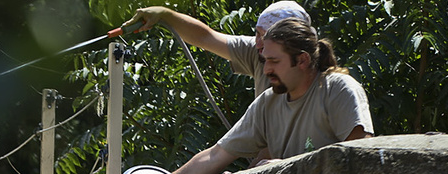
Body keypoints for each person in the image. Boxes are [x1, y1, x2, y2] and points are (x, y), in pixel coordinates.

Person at [172, 18, 373, 174]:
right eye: (265, 60)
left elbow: (359, 156)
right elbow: (216, 155)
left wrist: (288, 167)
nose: (266, 69)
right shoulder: (268, 103)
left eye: (274, 61)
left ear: (302, 60)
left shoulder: (337, 89)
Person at [122, 1, 312, 97]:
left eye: (267, 36)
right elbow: (205, 37)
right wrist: (165, 14)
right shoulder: (256, 51)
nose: (260, 43)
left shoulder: (323, 82)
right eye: (258, 34)